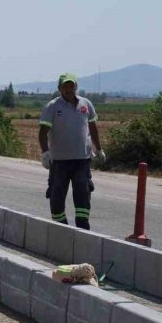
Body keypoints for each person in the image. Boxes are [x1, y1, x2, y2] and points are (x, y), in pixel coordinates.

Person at [39, 73, 105, 230]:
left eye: (71, 86)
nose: (69, 89)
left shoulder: (86, 104)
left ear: (76, 86)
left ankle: (82, 229)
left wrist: (99, 149)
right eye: (65, 86)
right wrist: (45, 153)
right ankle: (61, 228)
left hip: (82, 160)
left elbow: (93, 127)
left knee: (83, 192)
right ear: (59, 88)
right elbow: (42, 132)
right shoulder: (53, 106)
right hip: (60, 162)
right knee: (57, 194)